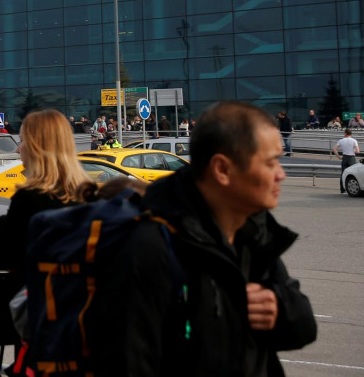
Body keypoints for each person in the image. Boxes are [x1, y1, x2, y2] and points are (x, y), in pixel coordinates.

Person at [96, 101, 317, 376]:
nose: (281, 174)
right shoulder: (150, 246)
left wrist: (280, 308)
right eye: (270, 162)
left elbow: (304, 328)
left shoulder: (254, 231)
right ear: (222, 169)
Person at [0, 109, 96, 291]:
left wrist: (1, 224)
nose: (17, 149)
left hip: (41, 299)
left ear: (37, 147)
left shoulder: (30, 198)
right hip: (81, 299)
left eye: (22, 141)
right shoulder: (90, 195)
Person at [335, 128, 360, 194]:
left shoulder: (341, 140)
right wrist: (353, 150)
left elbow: (335, 149)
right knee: (353, 174)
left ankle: (342, 189)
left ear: (345, 133)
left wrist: (339, 157)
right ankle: (353, 188)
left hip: (345, 157)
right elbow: (358, 151)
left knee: (343, 173)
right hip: (351, 158)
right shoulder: (354, 140)